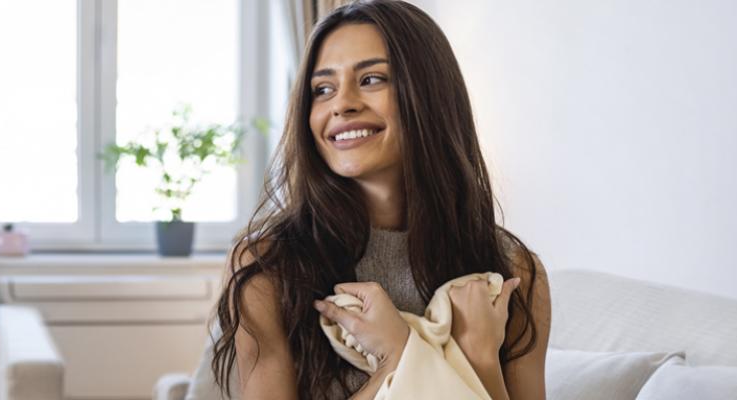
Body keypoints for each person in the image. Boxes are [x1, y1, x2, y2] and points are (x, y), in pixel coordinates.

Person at [192, 1, 551, 399]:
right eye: (322, 89)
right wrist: (398, 358)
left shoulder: (515, 270)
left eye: (372, 79)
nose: (341, 103)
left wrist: (481, 358)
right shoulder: (265, 265)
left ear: (430, 93)